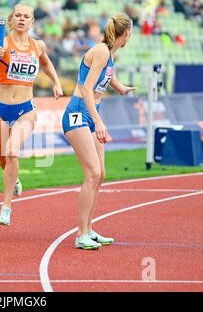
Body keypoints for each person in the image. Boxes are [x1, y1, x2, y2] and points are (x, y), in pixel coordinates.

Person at [0, 4, 63, 226]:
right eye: (18, 15)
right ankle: (13, 178)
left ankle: (6, 206)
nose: (22, 19)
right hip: (1, 108)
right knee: (3, 160)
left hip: (26, 109)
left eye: (26, 16)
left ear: (32, 21)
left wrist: (56, 82)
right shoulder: (2, 43)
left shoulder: (38, 45)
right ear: (12, 19)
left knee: (12, 152)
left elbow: (45, 63)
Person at [61, 13, 135, 250]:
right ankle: (80, 234)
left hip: (90, 113)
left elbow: (106, 76)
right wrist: (99, 121)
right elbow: (85, 87)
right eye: (131, 31)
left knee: (100, 174)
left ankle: (89, 229)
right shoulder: (102, 51)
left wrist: (120, 87)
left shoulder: (110, 54)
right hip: (79, 112)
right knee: (92, 173)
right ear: (127, 33)